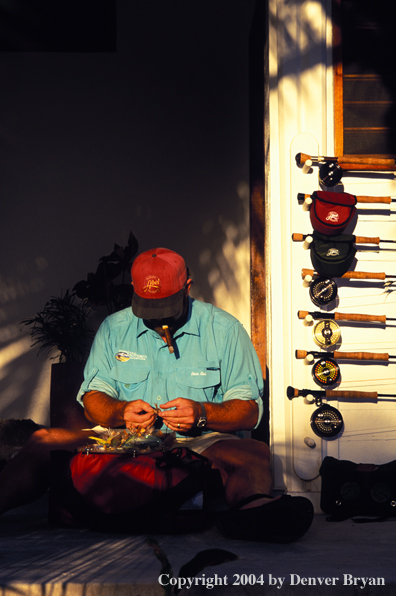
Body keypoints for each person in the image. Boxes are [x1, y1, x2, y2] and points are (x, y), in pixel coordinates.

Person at [0, 247, 313, 542]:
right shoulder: (114, 328)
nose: (158, 318)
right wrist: (121, 411)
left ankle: (253, 514)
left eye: (166, 307)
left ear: (187, 287)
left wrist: (203, 414)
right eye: (149, 309)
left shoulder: (226, 330)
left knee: (254, 454)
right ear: (135, 291)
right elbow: (94, 399)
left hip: (199, 444)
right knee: (43, 442)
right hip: (121, 440)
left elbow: (249, 411)